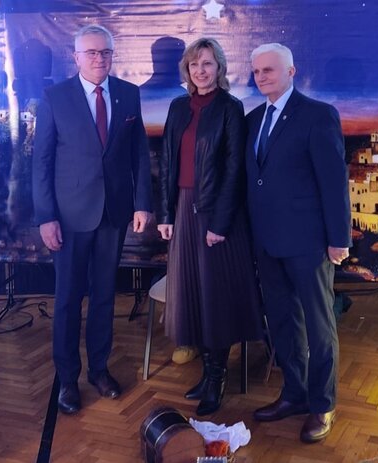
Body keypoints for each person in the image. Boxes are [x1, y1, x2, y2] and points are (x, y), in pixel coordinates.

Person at [32, 25, 152, 415]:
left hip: (113, 214)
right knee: (68, 298)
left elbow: (139, 155)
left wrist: (142, 204)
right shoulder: (55, 97)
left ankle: (99, 370)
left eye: (106, 52)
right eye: (92, 53)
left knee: (104, 296)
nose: (99, 59)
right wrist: (46, 217)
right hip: (68, 218)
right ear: (76, 57)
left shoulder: (128, 94)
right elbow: (42, 162)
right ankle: (67, 379)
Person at [245, 43, 351, 443]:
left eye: (269, 70)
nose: (262, 77)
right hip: (267, 243)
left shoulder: (318, 115)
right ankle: (294, 394)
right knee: (283, 323)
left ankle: (323, 405)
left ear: (291, 71)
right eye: (257, 71)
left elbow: (333, 182)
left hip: (309, 243)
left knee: (320, 327)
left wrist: (339, 239)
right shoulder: (252, 120)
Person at [157, 37, 262, 416]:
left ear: (219, 68)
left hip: (218, 216)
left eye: (207, 64)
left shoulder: (231, 109)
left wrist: (220, 222)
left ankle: (217, 378)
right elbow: (167, 164)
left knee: (215, 297)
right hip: (183, 211)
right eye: (194, 64)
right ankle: (206, 373)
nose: (200, 71)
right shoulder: (177, 107)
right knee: (193, 294)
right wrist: (166, 215)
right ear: (187, 70)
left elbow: (234, 171)